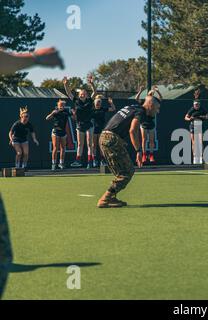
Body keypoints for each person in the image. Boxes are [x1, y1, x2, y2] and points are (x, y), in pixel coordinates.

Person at [0, 47, 63, 300]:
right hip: (15, 139)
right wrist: (36, 58)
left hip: (24, 140)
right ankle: (19, 165)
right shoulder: (16, 124)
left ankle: (22, 168)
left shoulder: (29, 124)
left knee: (24, 153)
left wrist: (35, 140)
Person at [97, 93, 161, 208]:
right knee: (128, 172)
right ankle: (105, 198)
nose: (157, 112)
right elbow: (132, 130)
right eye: (157, 108)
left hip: (104, 137)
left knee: (121, 172)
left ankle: (112, 198)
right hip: (111, 139)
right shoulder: (140, 112)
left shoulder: (133, 107)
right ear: (150, 105)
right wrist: (139, 151)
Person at [63, 75, 97, 169]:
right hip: (80, 125)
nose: (83, 94)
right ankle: (78, 160)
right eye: (81, 93)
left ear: (86, 94)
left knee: (89, 144)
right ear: (79, 95)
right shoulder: (76, 101)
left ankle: (90, 162)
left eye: (84, 93)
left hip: (89, 125)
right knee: (80, 144)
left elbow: (95, 92)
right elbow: (69, 93)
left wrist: (92, 84)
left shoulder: (90, 100)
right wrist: (66, 85)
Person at [135, 85, 162, 165]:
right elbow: (136, 99)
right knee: (144, 139)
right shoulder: (144, 101)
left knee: (151, 140)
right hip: (143, 123)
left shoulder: (155, 101)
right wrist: (140, 91)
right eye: (150, 93)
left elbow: (161, 99)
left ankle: (151, 155)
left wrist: (157, 91)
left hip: (151, 123)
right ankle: (144, 154)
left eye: (152, 94)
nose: (151, 95)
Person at [185, 90, 208, 164]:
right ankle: (195, 158)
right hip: (193, 125)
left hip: (200, 125)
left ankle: (201, 158)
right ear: (193, 104)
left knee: (200, 141)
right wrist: (190, 119)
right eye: (195, 104)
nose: (197, 106)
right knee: (193, 142)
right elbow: (186, 117)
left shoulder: (202, 109)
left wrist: (203, 117)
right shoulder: (191, 109)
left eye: (198, 104)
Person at [45, 100, 71, 170]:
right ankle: (53, 163)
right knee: (55, 148)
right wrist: (52, 113)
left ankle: (61, 163)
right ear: (58, 105)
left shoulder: (66, 112)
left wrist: (74, 113)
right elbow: (47, 118)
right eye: (60, 105)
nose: (62, 106)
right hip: (56, 132)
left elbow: (74, 118)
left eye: (63, 105)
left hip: (63, 132)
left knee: (63, 148)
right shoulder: (55, 112)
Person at [92, 96, 116, 167]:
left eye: (99, 102)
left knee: (101, 146)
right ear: (94, 103)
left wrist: (111, 103)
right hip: (93, 130)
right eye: (96, 102)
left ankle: (102, 160)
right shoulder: (92, 110)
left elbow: (113, 109)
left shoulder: (103, 109)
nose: (98, 103)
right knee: (94, 145)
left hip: (102, 129)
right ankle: (94, 160)